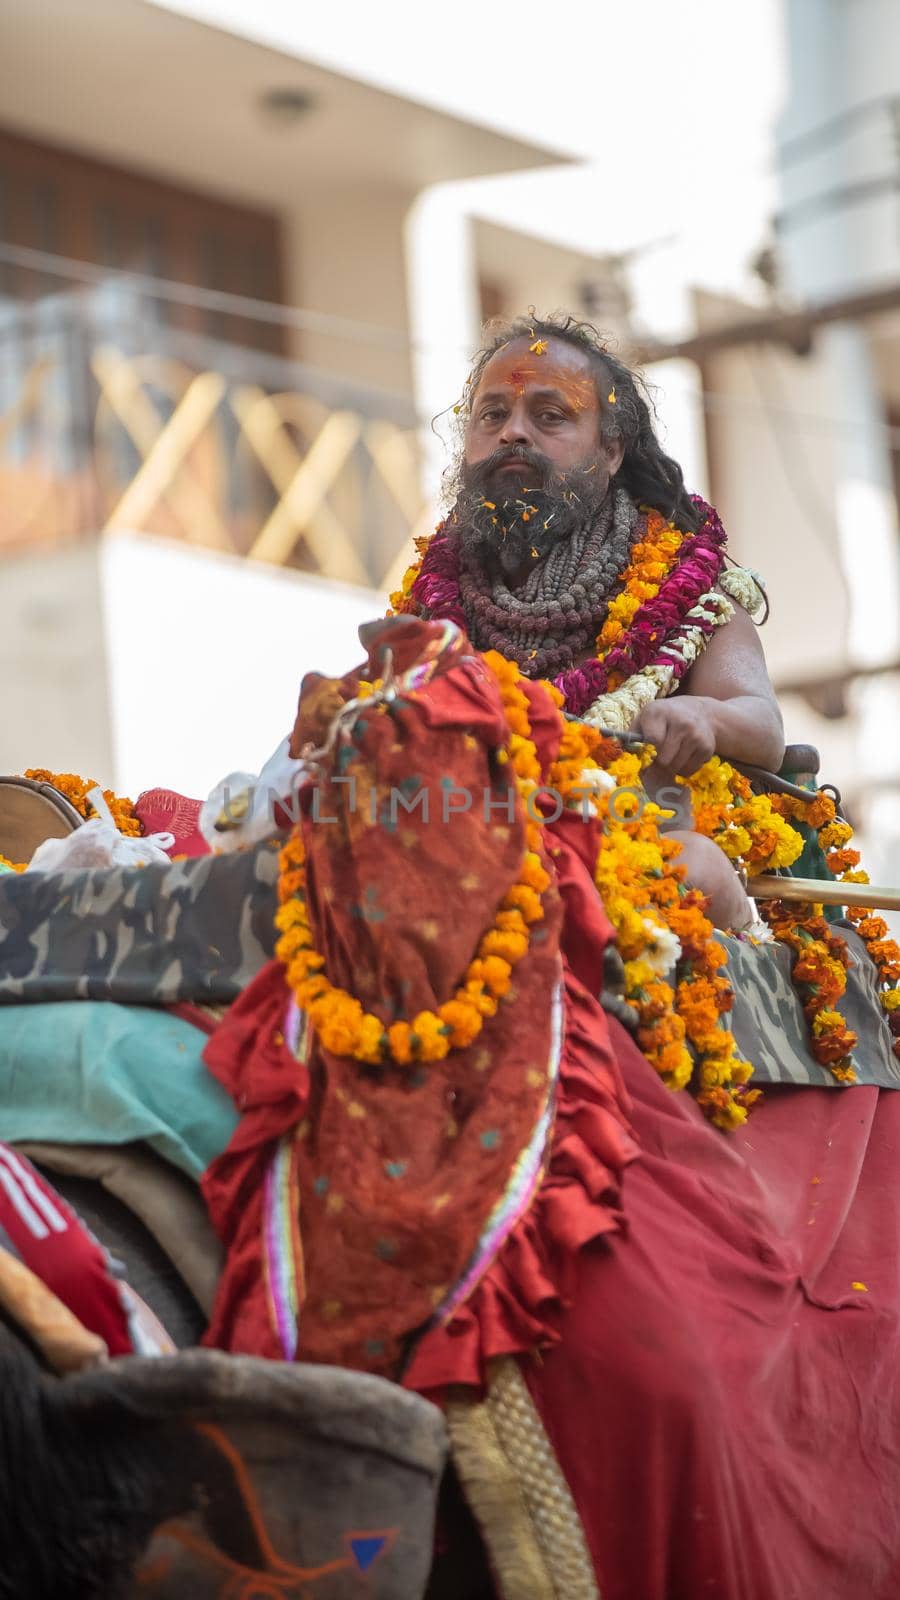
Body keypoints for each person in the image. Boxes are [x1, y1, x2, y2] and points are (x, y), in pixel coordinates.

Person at [399, 311, 785, 929]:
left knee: (700, 869)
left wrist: (703, 714)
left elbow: (762, 722)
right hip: (466, 863)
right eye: (493, 414)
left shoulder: (685, 586)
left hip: (643, 859)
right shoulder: (428, 606)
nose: (512, 435)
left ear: (610, 452)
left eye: (549, 417)